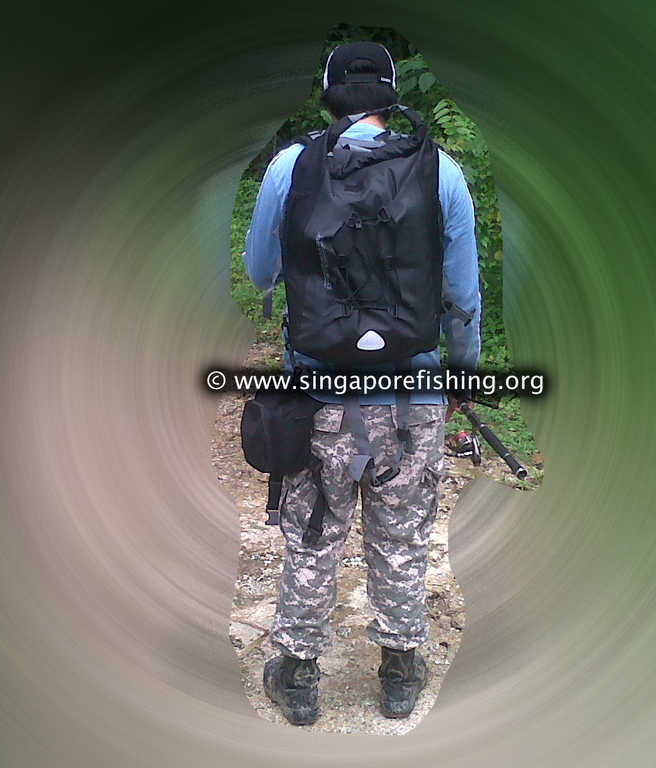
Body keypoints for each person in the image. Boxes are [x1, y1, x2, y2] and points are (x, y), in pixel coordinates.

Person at [243, 41, 481, 725]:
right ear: (390, 93)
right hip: (412, 397)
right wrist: (462, 376)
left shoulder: (292, 167)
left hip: (320, 397)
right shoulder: (441, 172)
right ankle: (400, 673)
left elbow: (260, 272)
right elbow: (462, 297)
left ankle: (297, 677)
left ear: (328, 94)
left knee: (313, 533)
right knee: (403, 537)